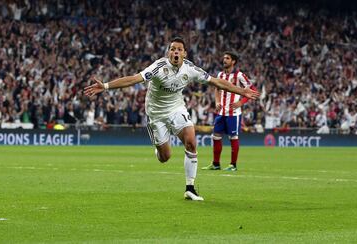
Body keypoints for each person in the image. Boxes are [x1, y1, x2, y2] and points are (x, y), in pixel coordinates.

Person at [84, 37, 259, 201]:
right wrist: (105, 86)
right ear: (168, 53)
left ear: (185, 54)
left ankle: (190, 188)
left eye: (179, 49)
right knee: (165, 157)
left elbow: (217, 82)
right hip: (156, 114)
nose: (176, 52)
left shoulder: (190, 69)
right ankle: (159, 149)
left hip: (176, 109)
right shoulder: (159, 67)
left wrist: (242, 91)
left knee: (191, 141)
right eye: (172, 49)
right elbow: (134, 79)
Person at [202, 51, 257, 171]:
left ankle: (233, 165)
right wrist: (217, 101)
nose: (224, 60)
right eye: (224, 58)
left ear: (233, 61)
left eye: (227, 58)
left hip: (233, 114)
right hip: (221, 113)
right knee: (216, 136)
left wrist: (240, 103)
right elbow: (217, 89)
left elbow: (253, 91)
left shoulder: (239, 75)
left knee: (233, 137)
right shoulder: (220, 75)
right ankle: (216, 164)